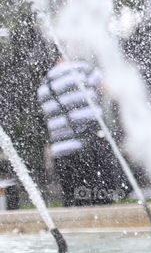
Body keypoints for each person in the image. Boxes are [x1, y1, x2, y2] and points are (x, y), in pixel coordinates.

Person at [37, 57, 127, 206]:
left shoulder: (45, 84)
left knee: (75, 202)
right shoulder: (82, 70)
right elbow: (112, 91)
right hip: (89, 147)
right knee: (101, 199)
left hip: (62, 153)